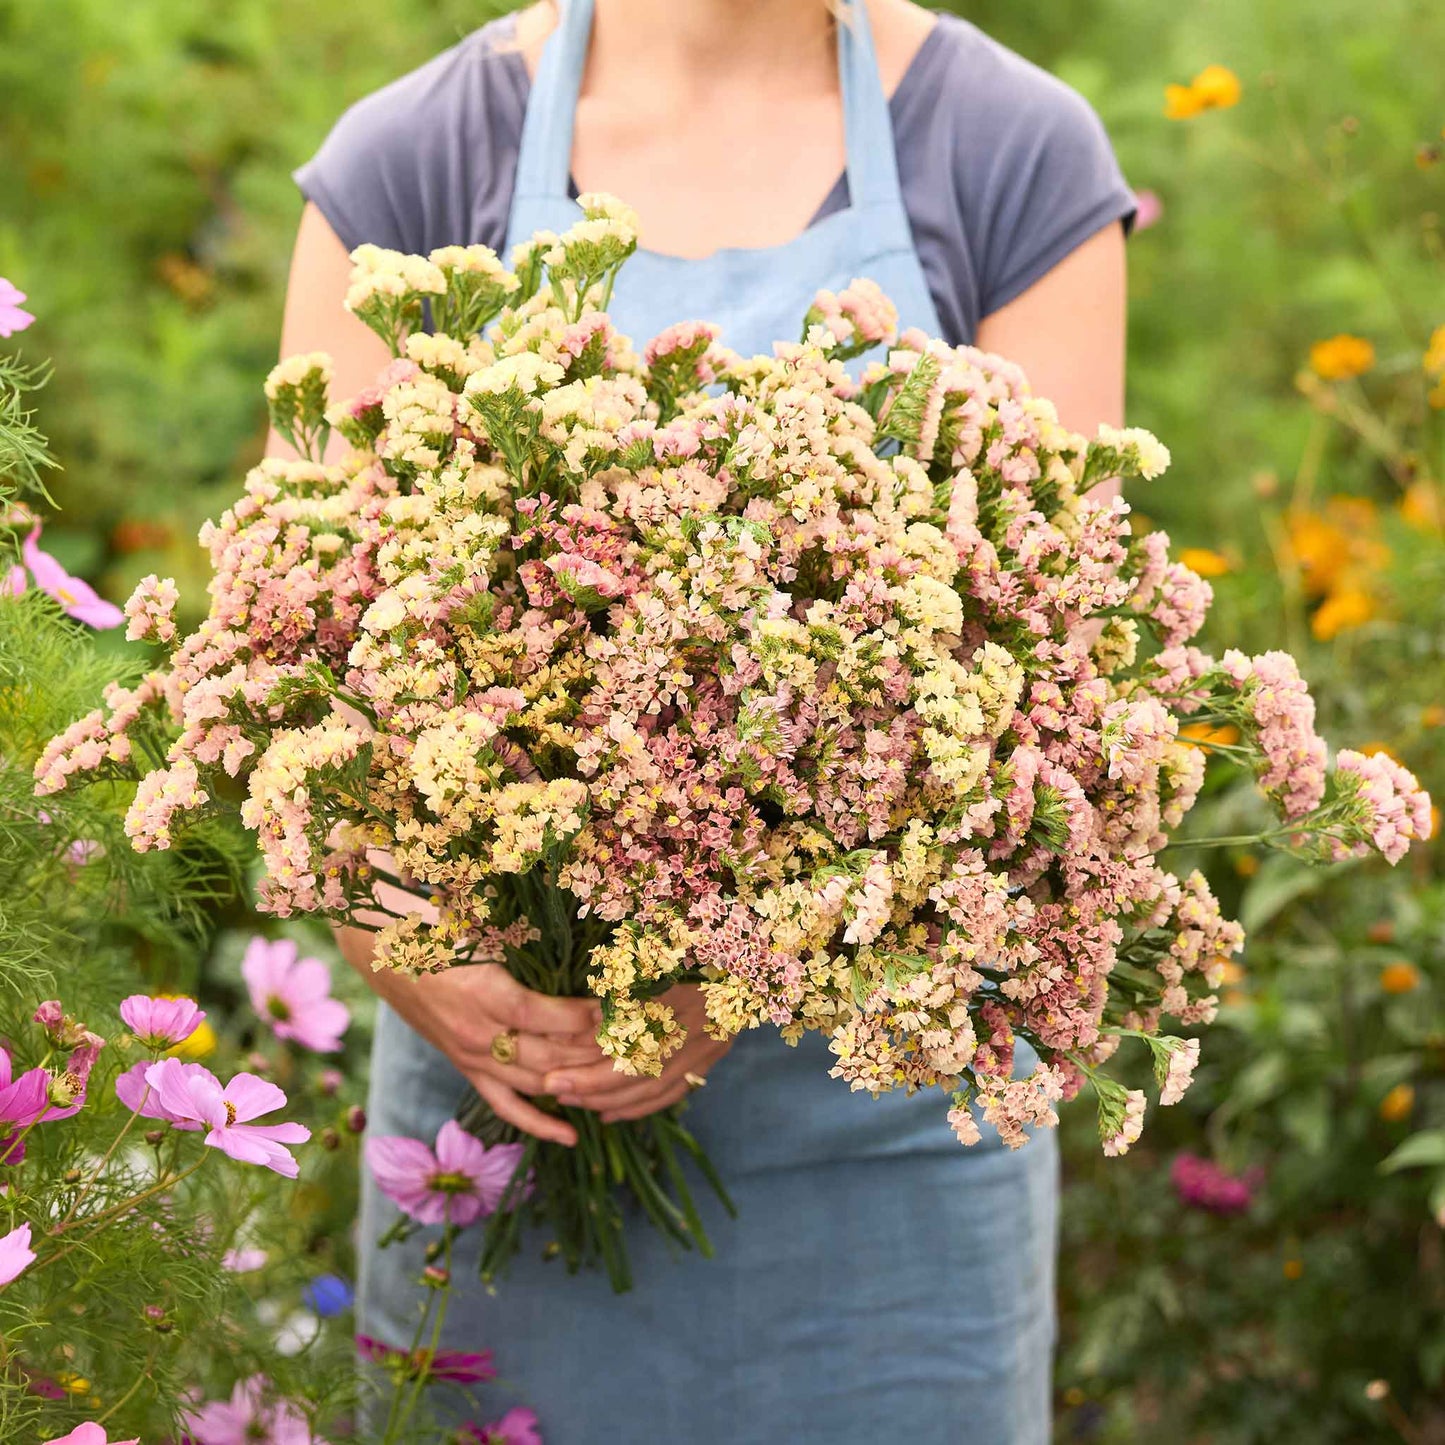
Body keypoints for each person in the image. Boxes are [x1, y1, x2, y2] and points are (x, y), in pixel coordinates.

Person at [279, 2, 1137, 1439]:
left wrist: (737, 974)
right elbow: (298, 666)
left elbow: (1057, 700)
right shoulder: (415, 162)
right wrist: (400, 937)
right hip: (507, 1116)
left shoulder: (1007, 150)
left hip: (890, 1165)